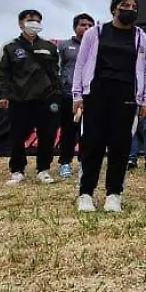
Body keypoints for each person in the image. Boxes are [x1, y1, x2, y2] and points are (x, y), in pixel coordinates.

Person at [70, 0, 146, 212]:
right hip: (96, 94)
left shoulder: (142, 39)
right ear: (113, 8)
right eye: (125, 6)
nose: (130, 9)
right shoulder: (95, 33)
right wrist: (77, 96)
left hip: (126, 96)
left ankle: (113, 194)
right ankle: (85, 193)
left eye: (134, 7)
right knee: (92, 145)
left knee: (120, 146)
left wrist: (145, 100)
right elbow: (80, 65)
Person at [0, 9, 62, 185]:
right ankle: (17, 170)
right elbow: (3, 73)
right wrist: (2, 95)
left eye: (38, 20)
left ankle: (43, 170)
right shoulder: (10, 47)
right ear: (21, 23)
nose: (35, 23)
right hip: (19, 98)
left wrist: (57, 93)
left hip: (46, 98)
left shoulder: (49, 47)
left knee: (47, 135)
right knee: (17, 135)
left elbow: (56, 72)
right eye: (31, 20)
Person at [55, 14, 94, 178]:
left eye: (89, 25)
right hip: (68, 95)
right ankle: (65, 162)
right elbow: (57, 69)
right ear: (75, 27)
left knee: (89, 132)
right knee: (69, 130)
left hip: (91, 96)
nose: (86, 28)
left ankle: (85, 162)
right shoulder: (64, 46)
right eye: (83, 25)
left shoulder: (96, 47)